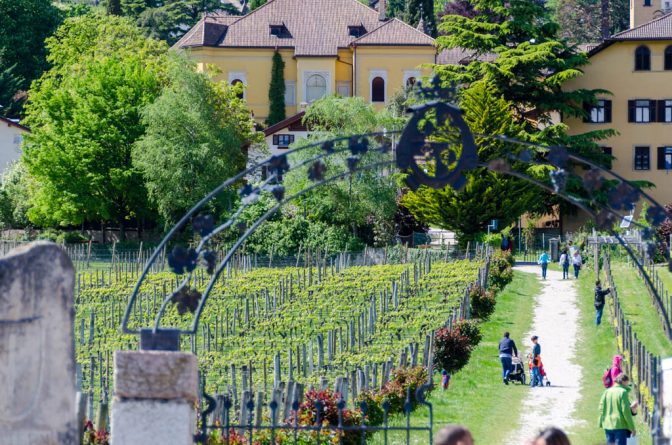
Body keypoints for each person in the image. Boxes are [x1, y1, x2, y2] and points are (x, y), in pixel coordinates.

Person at [599, 373, 637, 445]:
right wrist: (632, 427)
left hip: (607, 424)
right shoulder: (623, 392)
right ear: (623, 382)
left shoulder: (607, 391)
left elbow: (601, 408)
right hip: (620, 425)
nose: (627, 385)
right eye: (627, 383)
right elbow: (625, 411)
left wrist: (603, 420)